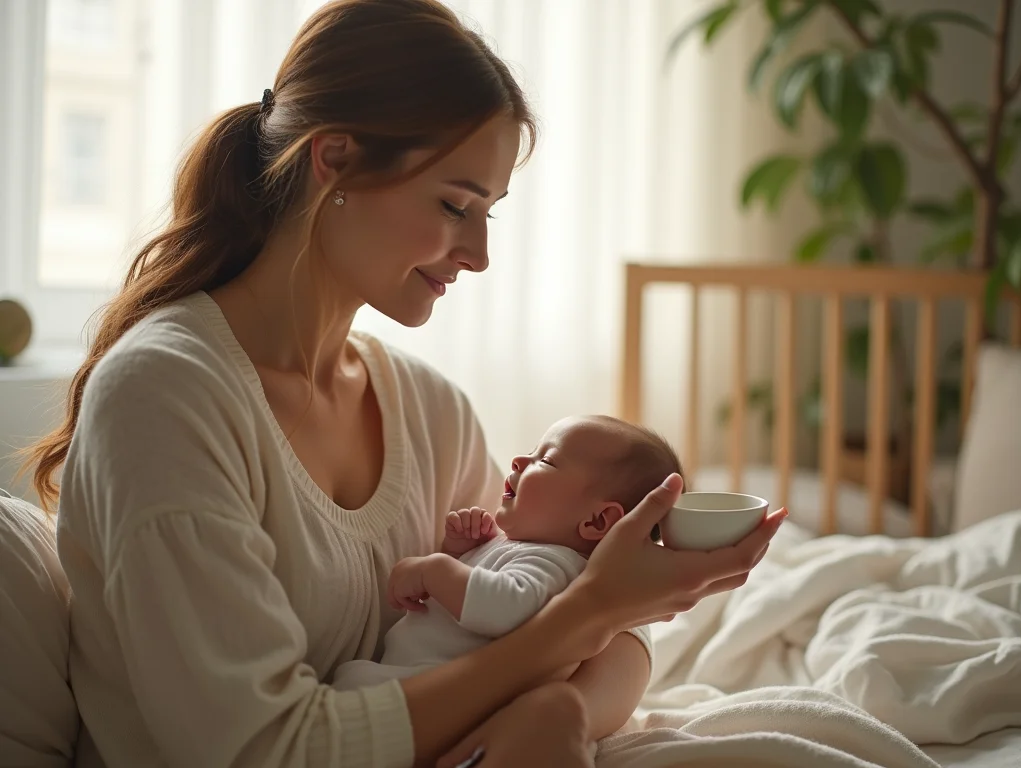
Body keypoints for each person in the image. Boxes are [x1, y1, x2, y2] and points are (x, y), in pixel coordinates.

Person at [24, 1, 787, 766]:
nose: (481, 253)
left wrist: (553, 716)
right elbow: (266, 748)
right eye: (456, 205)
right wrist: (575, 630)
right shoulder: (166, 398)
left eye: (488, 212)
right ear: (335, 162)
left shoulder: (430, 411)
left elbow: (599, 624)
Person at [331, 416, 680, 726]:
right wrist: (461, 551)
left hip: (444, 692)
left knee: (350, 690)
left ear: (597, 520)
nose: (519, 460)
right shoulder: (527, 547)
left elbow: (506, 609)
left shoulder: (557, 562)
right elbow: (470, 600)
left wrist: (437, 570)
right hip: (426, 680)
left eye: (546, 460)